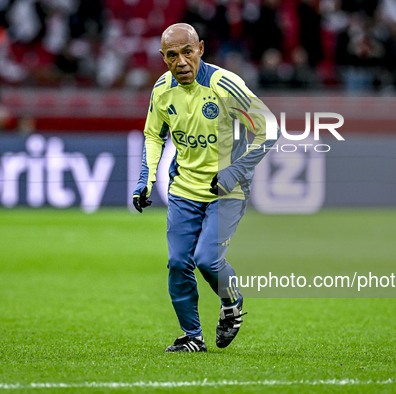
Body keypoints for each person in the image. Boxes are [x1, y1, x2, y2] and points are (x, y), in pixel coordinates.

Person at [132, 23, 276, 352]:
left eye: (187, 52)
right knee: (178, 262)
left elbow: (268, 128)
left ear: (200, 48)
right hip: (184, 188)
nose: (181, 61)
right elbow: (154, 135)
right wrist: (146, 178)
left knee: (208, 260)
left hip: (227, 189)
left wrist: (235, 171)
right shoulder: (162, 89)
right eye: (172, 55)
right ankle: (192, 336)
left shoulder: (225, 84)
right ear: (163, 57)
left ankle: (232, 303)